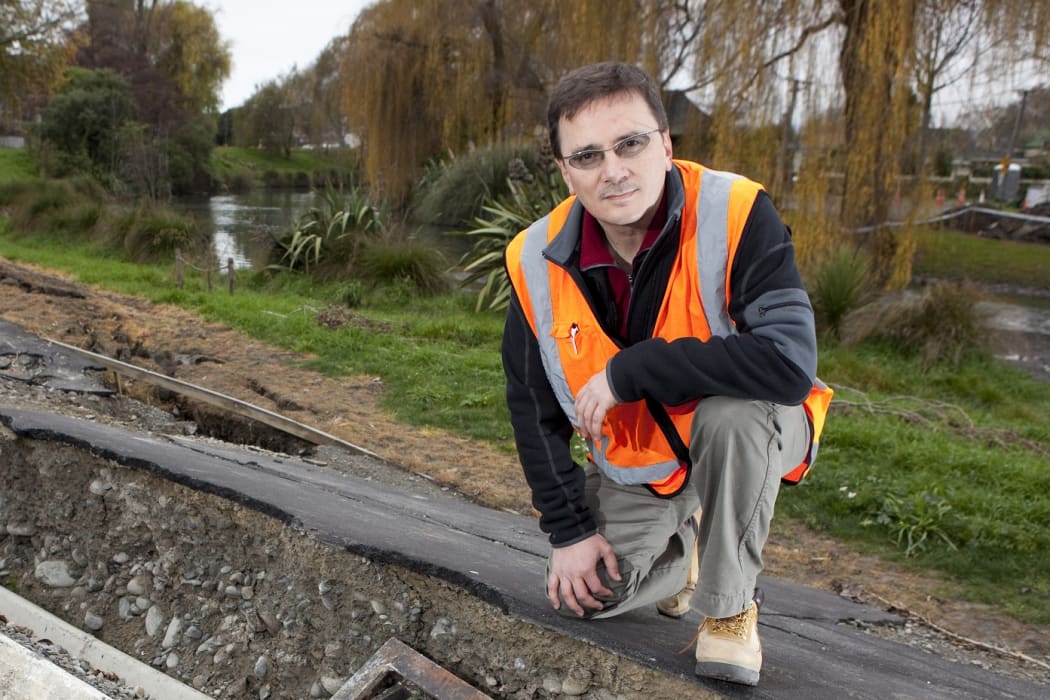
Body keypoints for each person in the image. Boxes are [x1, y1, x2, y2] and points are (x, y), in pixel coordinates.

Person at [502, 61, 831, 687]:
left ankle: (730, 608)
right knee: (582, 595)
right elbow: (529, 403)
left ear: (666, 144)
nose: (614, 170)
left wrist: (633, 371)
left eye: (631, 143)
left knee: (732, 415)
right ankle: (682, 550)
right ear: (565, 172)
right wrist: (568, 530)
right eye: (589, 156)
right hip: (644, 465)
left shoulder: (736, 210)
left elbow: (788, 366)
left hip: (754, 427)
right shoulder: (532, 257)